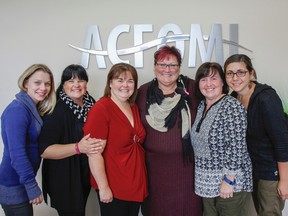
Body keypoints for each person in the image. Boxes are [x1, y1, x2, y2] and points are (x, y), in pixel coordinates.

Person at [136, 45, 203, 216]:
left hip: (187, 172)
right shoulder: (142, 93)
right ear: (154, 67)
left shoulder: (194, 88)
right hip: (154, 172)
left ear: (179, 68)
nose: (167, 70)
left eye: (173, 65)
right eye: (162, 64)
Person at [224, 54, 288, 216]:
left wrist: (285, 180)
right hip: (249, 172)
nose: (235, 78)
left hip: (270, 172)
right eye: (230, 73)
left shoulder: (266, 98)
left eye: (241, 72)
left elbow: (282, 142)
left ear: (251, 73)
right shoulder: (233, 98)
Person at [38, 64, 103, 216]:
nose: (76, 85)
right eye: (70, 81)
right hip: (65, 177)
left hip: (84, 174)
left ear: (86, 83)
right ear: (63, 84)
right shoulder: (56, 109)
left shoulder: (91, 103)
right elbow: (44, 150)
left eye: (80, 80)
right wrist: (78, 147)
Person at [84, 63, 148, 216]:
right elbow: (93, 153)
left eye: (130, 81)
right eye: (120, 80)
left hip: (134, 183)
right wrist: (104, 187)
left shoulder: (132, 107)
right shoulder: (101, 109)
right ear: (110, 83)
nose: (125, 85)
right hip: (114, 185)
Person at [190, 62, 253, 216]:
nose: (208, 84)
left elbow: (237, 147)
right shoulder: (200, 107)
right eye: (203, 79)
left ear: (222, 82)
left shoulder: (231, 107)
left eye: (213, 79)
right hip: (207, 185)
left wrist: (229, 180)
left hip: (230, 185)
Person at [0, 64, 56, 216]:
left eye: (47, 84)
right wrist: (31, 186)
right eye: (37, 83)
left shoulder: (30, 109)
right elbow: (17, 155)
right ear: (26, 84)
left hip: (20, 183)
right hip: (13, 184)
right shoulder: (17, 110)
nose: (43, 88)